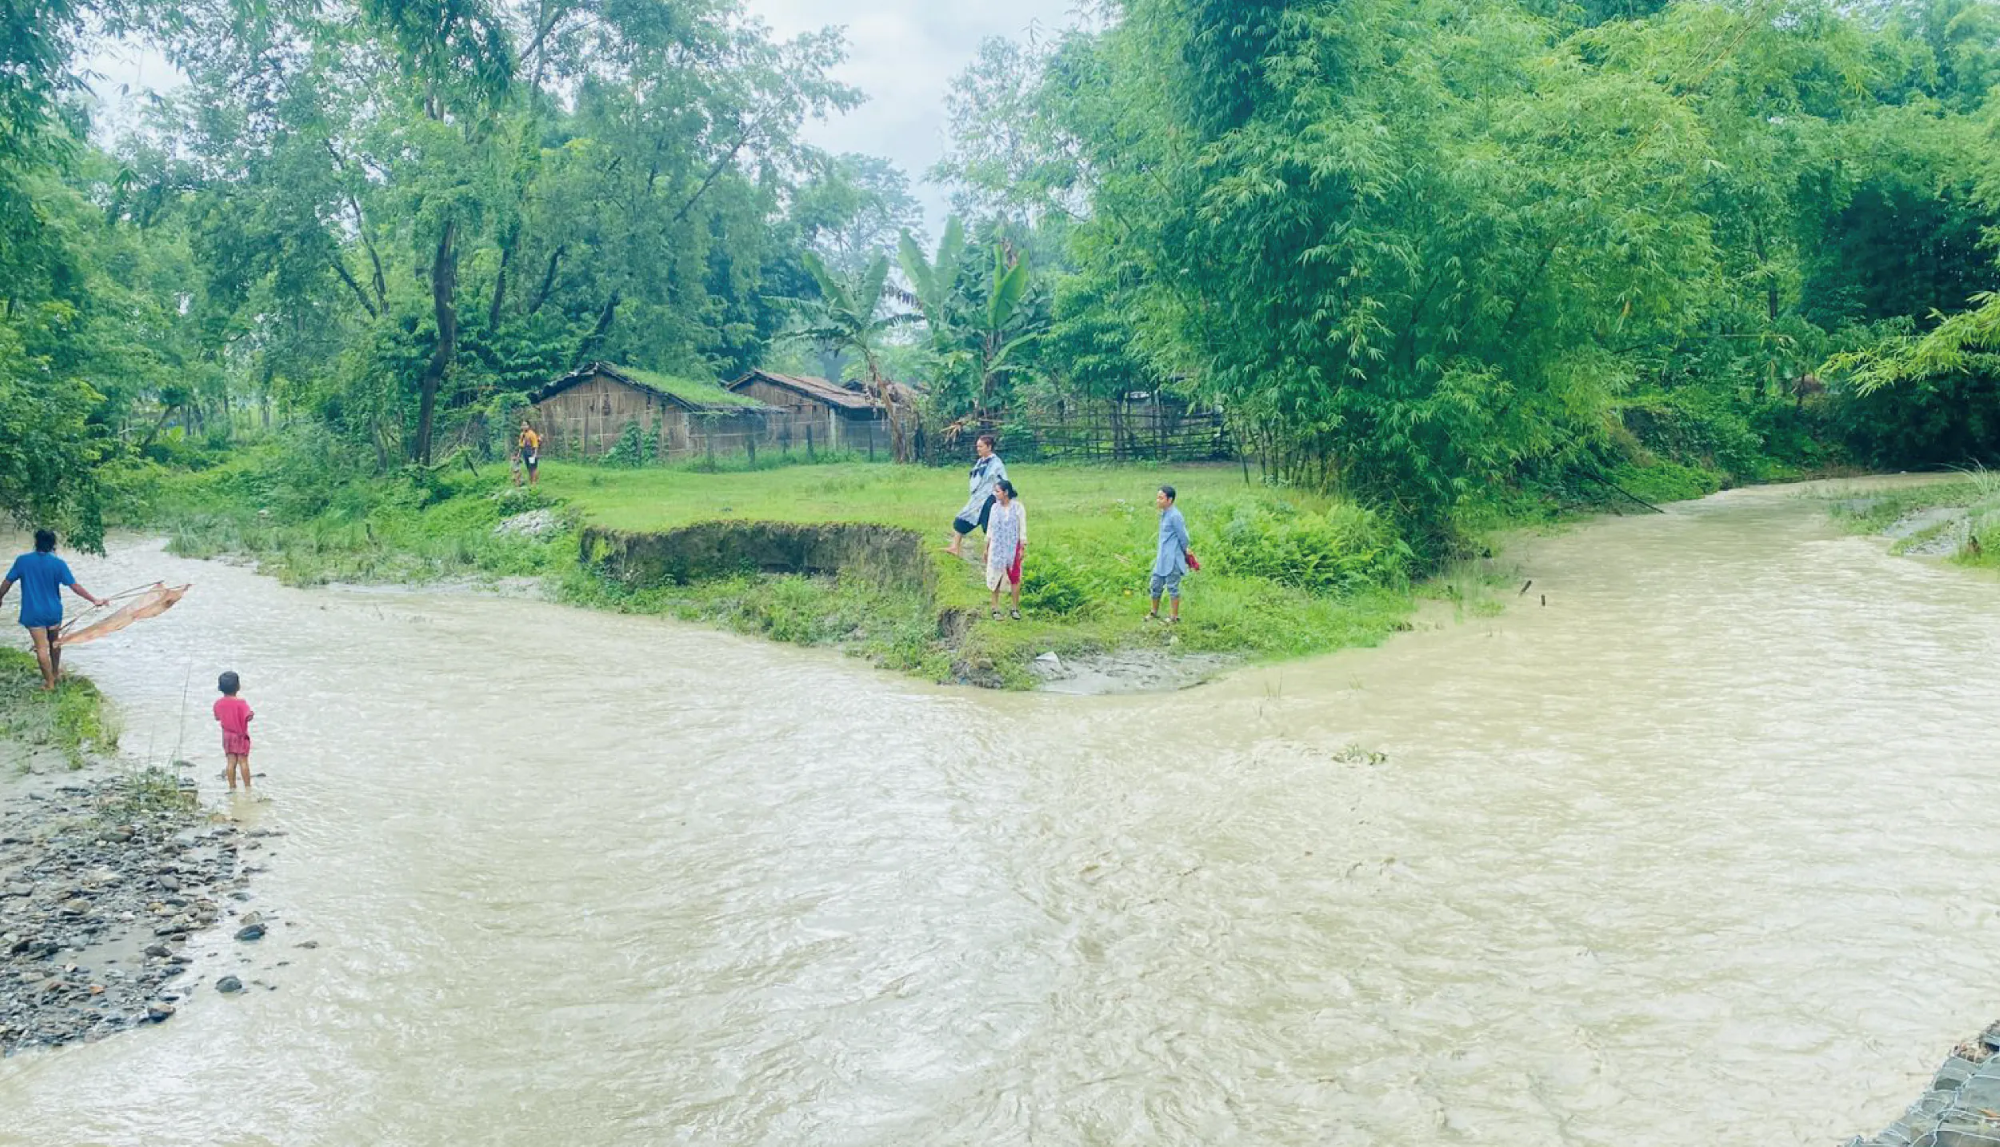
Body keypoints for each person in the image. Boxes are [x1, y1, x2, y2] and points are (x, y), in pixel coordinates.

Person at [0, 530, 106, 690]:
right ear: (53, 544)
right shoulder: (58, 563)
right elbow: (74, 586)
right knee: (54, 642)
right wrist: (94, 600)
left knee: (41, 648)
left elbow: (7, 582)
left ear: (36, 542)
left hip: (33, 612)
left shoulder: (22, 561)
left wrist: (0, 597)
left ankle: (49, 683)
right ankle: (55, 672)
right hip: (53, 611)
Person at [945, 434, 1007, 557]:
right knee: (962, 519)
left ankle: (991, 553)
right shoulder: (981, 461)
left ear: (989, 447)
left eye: (981, 446)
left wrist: (1000, 497)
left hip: (989, 499)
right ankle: (955, 547)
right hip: (977, 499)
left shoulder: (996, 463)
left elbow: (1003, 481)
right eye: (977, 446)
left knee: (989, 526)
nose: (978, 449)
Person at [982, 479, 1027, 620]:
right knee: (995, 576)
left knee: (1015, 577)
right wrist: (986, 548)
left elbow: (1022, 528)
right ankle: (995, 608)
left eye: (998, 491)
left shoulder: (1018, 508)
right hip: (997, 547)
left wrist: (1022, 547)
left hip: (1013, 547)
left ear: (1006, 492)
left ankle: (1014, 608)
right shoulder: (994, 508)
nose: (995, 494)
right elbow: (990, 529)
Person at [1148, 485, 1191, 623]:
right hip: (1162, 558)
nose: (1157, 500)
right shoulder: (1164, 514)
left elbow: (1184, 537)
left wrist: (1184, 551)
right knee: (1155, 585)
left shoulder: (1175, 516)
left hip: (1172, 559)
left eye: (1161, 498)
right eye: (1157, 497)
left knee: (1172, 587)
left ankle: (1174, 617)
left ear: (1170, 500)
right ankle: (1154, 612)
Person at [213, 671, 255, 792]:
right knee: (243, 761)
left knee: (230, 762)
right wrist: (251, 714)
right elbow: (248, 716)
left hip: (227, 736)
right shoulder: (241, 703)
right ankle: (247, 787)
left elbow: (217, 717)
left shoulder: (218, 703)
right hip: (240, 736)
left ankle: (232, 787)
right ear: (238, 686)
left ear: (220, 688)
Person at [515, 420, 542, 487]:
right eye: (522, 425)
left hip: (531, 452)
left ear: (528, 426)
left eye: (525, 425)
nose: (524, 426)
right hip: (525, 453)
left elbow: (535, 445)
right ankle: (531, 482)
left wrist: (535, 454)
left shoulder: (532, 434)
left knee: (533, 468)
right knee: (528, 468)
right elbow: (521, 446)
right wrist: (518, 455)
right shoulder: (522, 435)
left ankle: (534, 482)